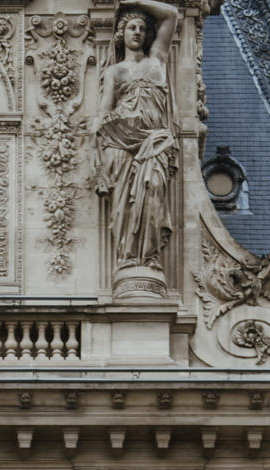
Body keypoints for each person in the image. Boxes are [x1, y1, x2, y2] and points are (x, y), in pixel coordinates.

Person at [94, 1, 180, 284]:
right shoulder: (115, 72)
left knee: (153, 190)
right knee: (124, 207)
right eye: (132, 26)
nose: (137, 32)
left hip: (154, 142)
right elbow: (105, 112)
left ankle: (147, 258)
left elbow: (172, 15)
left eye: (143, 28)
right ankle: (129, 257)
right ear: (121, 33)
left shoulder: (157, 59)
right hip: (121, 143)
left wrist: (134, 2)